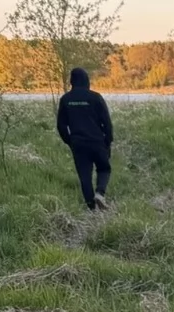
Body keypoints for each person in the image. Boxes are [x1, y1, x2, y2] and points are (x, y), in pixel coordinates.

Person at [56, 67, 114, 210]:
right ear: (87, 80)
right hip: (97, 141)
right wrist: (108, 141)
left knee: (84, 176)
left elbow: (61, 126)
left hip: (78, 144)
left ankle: (92, 209)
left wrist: (70, 141)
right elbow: (107, 122)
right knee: (104, 168)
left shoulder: (66, 100)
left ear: (71, 81)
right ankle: (100, 193)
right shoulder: (95, 97)